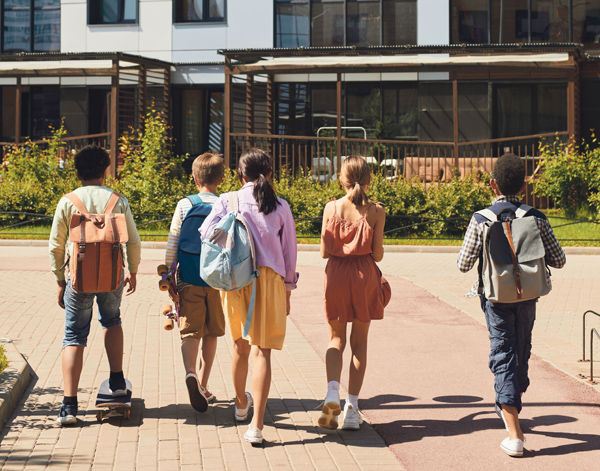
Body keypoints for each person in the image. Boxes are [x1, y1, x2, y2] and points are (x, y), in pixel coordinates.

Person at [457, 153, 566, 457]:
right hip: (529, 295)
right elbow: (559, 259)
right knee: (521, 348)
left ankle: (514, 434)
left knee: (503, 352)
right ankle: (511, 403)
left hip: (495, 297)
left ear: (493, 184)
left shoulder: (481, 219)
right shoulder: (536, 217)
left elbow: (464, 263)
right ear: (524, 185)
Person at [200, 148, 298, 445]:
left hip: (236, 278)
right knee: (262, 352)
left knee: (240, 348)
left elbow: (206, 235)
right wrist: (288, 289)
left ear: (239, 174)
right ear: (269, 173)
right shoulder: (281, 206)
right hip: (269, 281)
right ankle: (256, 425)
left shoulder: (227, 200)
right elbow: (289, 253)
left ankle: (241, 405)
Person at [49, 146, 141, 425]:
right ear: (105, 171)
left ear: (77, 172)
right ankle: (116, 380)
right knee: (112, 320)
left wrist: (60, 279)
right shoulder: (118, 200)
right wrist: (132, 271)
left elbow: (56, 244)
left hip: (79, 277)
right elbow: (133, 241)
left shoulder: (68, 201)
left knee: (74, 335)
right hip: (113, 275)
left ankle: (69, 406)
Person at [318, 155, 386, 431]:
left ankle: (332, 391)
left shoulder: (330, 208)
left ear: (341, 180)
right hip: (363, 276)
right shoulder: (377, 212)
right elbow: (378, 255)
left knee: (336, 338)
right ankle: (351, 408)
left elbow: (323, 251)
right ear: (369, 180)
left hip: (335, 274)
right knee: (359, 342)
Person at [164, 152, 226, 412]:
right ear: (221, 179)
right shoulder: (225, 204)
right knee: (212, 330)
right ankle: (204, 383)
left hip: (188, 276)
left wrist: (168, 276)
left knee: (190, 330)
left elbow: (173, 241)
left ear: (194, 177)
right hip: (216, 278)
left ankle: (191, 373)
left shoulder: (184, 204)